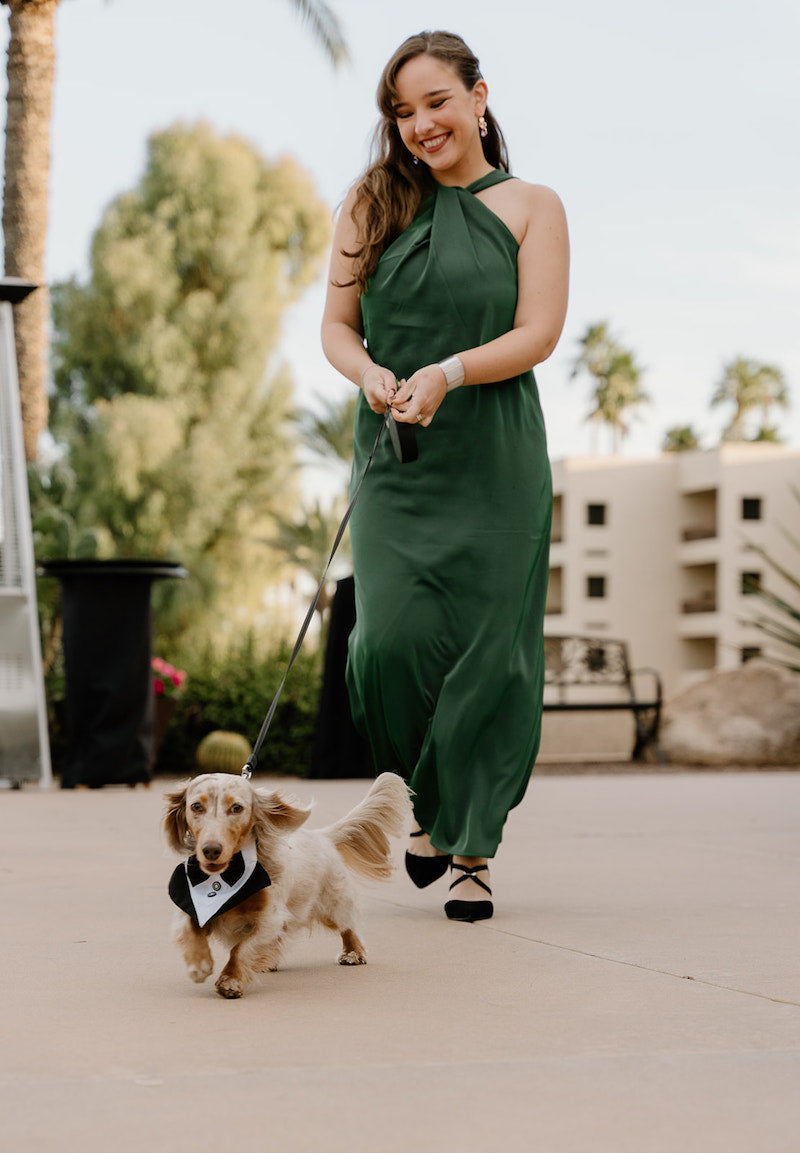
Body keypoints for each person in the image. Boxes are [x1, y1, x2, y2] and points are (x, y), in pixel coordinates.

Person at [321, 30, 569, 921]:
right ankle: (423, 801)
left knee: (490, 661)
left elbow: (538, 332)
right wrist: (371, 375)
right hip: (397, 459)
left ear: (478, 97)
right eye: (402, 110)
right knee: (387, 644)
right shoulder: (371, 201)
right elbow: (338, 328)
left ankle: (471, 850)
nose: (420, 124)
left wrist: (448, 372)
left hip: (494, 455)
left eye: (435, 102)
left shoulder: (533, 205)